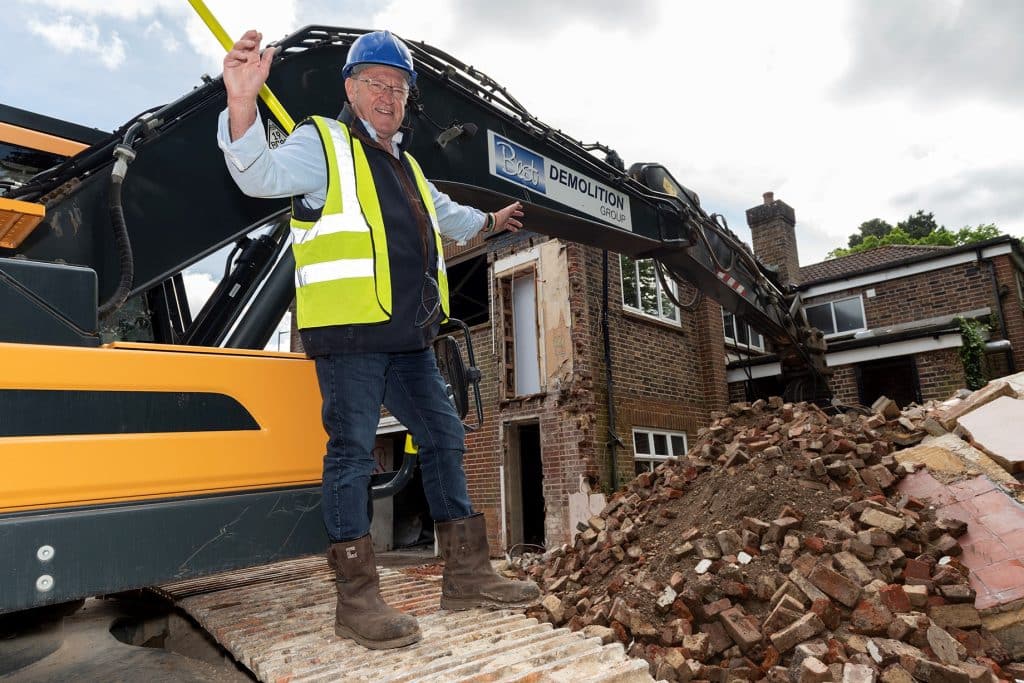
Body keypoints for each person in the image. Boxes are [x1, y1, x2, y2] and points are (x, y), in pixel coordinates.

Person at [218, 29, 539, 650]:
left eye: (399, 87)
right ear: (351, 88)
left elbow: (449, 216)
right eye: (376, 84)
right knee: (352, 453)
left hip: (408, 338)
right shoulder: (324, 144)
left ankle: (467, 576)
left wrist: (490, 222)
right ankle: (357, 600)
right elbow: (258, 174)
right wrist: (241, 102)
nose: (389, 96)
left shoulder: (408, 166)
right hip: (350, 336)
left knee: (444, 435)